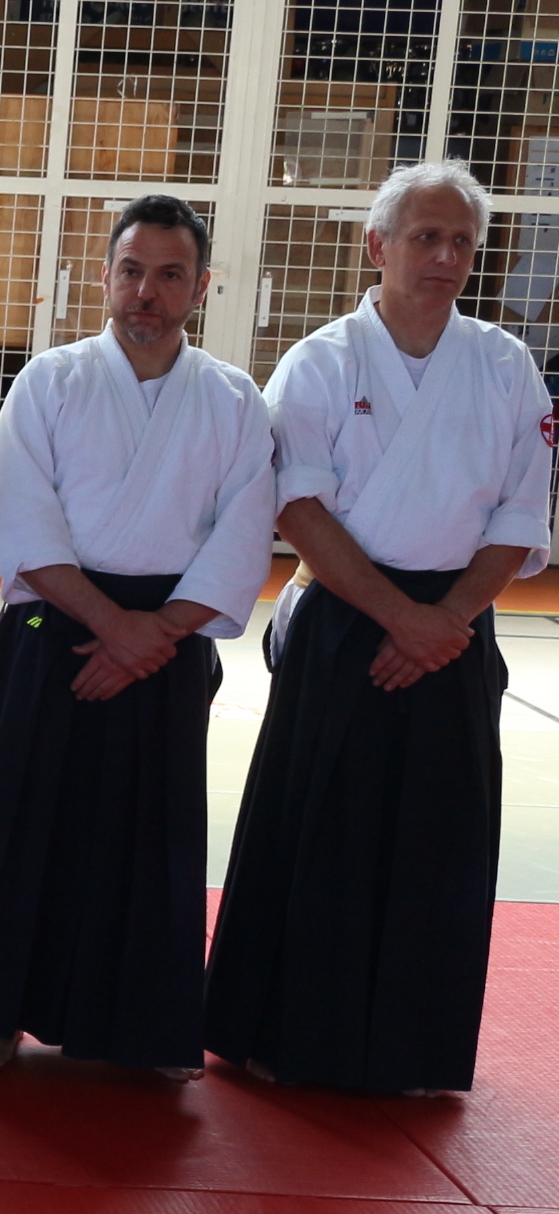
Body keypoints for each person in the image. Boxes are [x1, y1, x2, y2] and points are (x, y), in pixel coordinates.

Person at [0, 195, 275, 1078]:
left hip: (169, 634)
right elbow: (18, 520)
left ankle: (138, 1027)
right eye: (132, 271)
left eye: (170, 275)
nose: (147, 291)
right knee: (25, 819)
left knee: (149, 839)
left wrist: (154, 633)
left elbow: (242, 535)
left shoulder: (233, 399)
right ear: (104, 277)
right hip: (54, 622)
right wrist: (116, 630)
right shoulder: (51, 380)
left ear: (201, 287)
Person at [207, 161, 551, 1096]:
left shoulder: (504, 364)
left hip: (457, 622)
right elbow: (298, 505)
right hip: (346, 614)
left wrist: (445, 620)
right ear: (376, 246)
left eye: (460, 241)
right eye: (423, 237)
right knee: (322, 825)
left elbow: (520, 515)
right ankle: (284, 1036)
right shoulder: (321, 359)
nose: (443, 256)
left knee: (441, 840)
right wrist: (403, 618)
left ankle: (412, 1051)